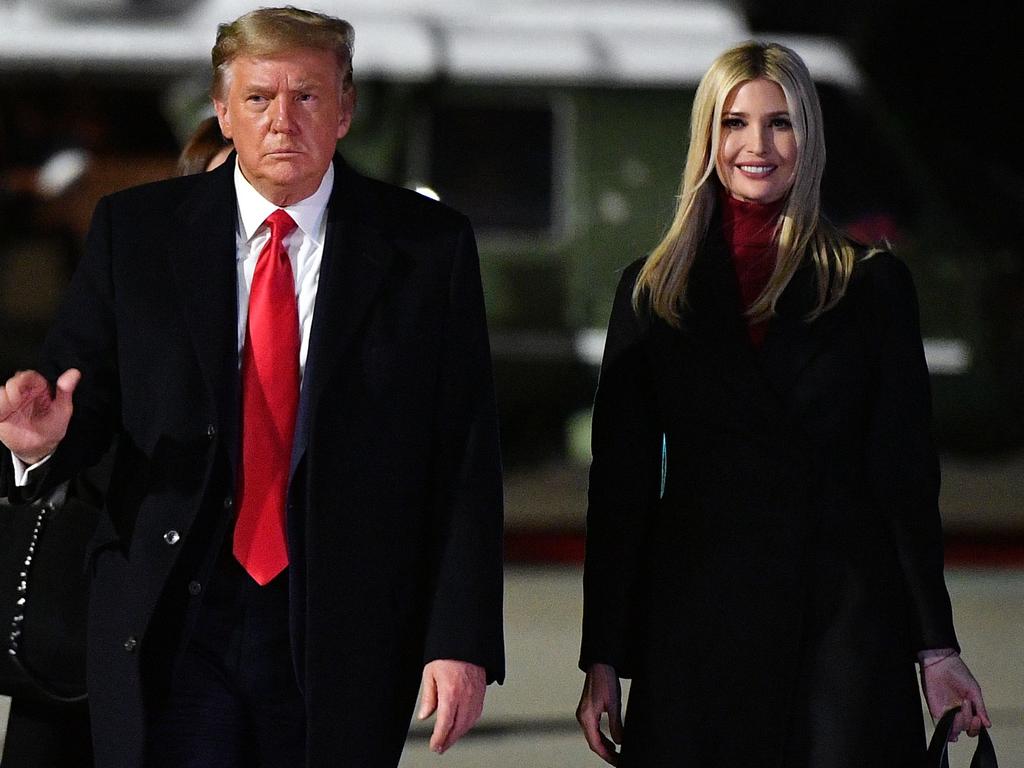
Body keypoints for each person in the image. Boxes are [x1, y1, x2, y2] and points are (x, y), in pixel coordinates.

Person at [0, 7, 504, 768]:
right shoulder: (134, 232)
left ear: (346, 110)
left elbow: (463, 457)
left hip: (342, 622)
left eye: (307, 96)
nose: (283, 121)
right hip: (172, 613)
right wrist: (41, 446)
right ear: (221, 110)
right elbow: (86, 402)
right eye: (261, 98)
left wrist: (459, 640)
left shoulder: (426, 248)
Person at [575, 40, 988, 766]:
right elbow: (621, 491)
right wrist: (602, 656)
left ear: (810, 137)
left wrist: (936, 646)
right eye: (734, 123)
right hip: (698, 633)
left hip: (842, 632)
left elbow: (904, 480)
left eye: (780, 122)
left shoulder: (872, 286)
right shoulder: (649, 292)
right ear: (708, 137)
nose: (756, 145)